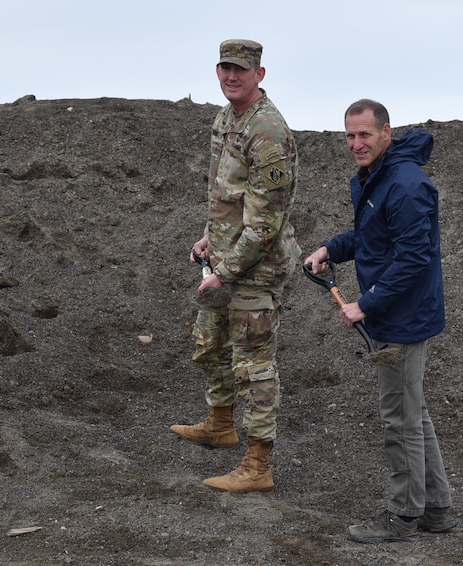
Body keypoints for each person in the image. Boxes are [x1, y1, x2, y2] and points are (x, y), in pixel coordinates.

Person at [305, 99, 456, 543]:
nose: (356, 144)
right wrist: (330, 249)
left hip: (402, 319)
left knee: (400, 420)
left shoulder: (406, 184)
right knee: (414, 414)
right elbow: (373, 238)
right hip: (396, 313)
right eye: (350, 136)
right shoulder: (378, 178)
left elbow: (414, 258)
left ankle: (403, 515)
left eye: (365, 135)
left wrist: (365, 304)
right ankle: (436, 507)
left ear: (386, 132)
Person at [169, 39, 300, 493]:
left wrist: (224, 273)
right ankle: (220, 424)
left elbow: (266, 224)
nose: (231, 77)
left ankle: (258, 465)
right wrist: (210, 237)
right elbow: (224, 194)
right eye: (225, 68)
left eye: (241, 70)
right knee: (210, 344)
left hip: (257, 267)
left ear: (259, 74)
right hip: (226, 254)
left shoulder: (268, 132)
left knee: (253, 366)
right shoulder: (226, 117)